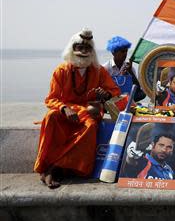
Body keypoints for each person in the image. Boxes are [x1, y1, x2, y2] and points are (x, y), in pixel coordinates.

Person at [34, 28, 121, 188]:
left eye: (87, 48)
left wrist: (105, 95)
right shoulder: (61, 71)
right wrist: (64, 109)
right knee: (51, 117)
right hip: (66, 111)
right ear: (72, 49)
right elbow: (51, 98)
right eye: (79, 47)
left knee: (90, 126)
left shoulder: (98, 71)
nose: (83, 51)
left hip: (89, 111)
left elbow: (115, 91)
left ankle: (55, 168)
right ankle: (49, 166)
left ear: (92, 51)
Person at [103, 36, 146, 102]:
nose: (125, 54)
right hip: (113, 99)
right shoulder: (106, 68)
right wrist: (120, 77)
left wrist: (130, 72)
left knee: (143, 93)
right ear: (113, 52)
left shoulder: (129, 67)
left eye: (126, 51)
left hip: (127, 98)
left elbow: (137, 89)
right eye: (122, 51)